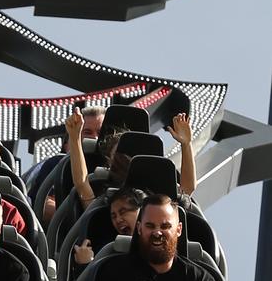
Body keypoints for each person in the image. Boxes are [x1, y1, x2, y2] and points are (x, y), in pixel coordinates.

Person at [67, 108, 197, 210]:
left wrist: (186, 144)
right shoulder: (108, 201)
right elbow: (82, 184)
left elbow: (187, 189)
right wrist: (74, 137)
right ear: (110, 162)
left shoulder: (160, 197)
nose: (129, 161)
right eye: (120, 157)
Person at [41, 104, 106, 224]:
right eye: (87, 132)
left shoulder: (112, 166)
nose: (95, 138)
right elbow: (43, 205)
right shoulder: (57, 165)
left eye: (99, 132)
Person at [73, 186, 143, 266]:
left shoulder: (155, 245)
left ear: (140, 211)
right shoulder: (109, 253)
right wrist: (85, 263)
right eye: (114, 216)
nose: (118, 220)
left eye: (123, 212)